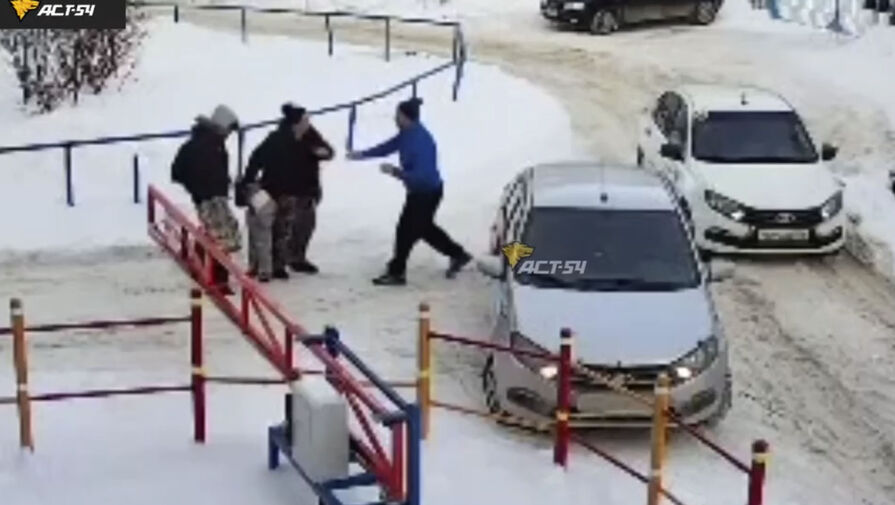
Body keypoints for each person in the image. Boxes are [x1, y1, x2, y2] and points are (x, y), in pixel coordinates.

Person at [347, 97, 472, 286]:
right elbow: (389, 146)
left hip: (426, 193)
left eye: (397, 116)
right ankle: (458, 254)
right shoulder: (408, 133)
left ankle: (397, 272)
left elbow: (421, 176)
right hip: (420, 192)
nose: (394, 119)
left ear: (407, 118)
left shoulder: (419, 141)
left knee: (406, 231)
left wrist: (395, 172)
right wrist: (362, 155)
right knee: (424, 228)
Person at [244, 104, 335, 279]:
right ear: (296, 123)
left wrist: (321, 152)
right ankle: (275, 264)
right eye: (305, 120)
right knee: (280, 229)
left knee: (302, 227)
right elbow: (256, 158)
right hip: (281, 191)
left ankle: (295, 258)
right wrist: (249, 182)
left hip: (306, 191)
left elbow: (328, 151)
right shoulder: (276, 139)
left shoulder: (310, 136)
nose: (308, 123)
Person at [171, 104, 241, 295]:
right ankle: (218, 279)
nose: (229, 135)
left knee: (213, 234)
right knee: (223, 237)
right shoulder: (206, 145)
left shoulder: (207, 143)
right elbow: (180, 171)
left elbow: (178, 171)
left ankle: (201, 268)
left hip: (210, 195)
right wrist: (201, 186)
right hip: (209, 197)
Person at [239, 180, 276, 283]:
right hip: (258, 209)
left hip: (261, 211)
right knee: (257, 243)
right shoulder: (261, 197)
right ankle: (256, 267)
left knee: (262, 244)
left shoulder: (261, 199)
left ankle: (263, 270)